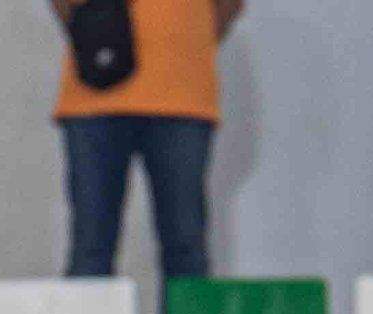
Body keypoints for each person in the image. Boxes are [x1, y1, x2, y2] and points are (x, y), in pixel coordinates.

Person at [53, 0, 238, 281]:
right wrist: (93, 32)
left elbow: (229, 7)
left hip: (182, 99)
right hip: (96, 97)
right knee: (90, 250)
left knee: (186, 245)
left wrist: (187, 43)